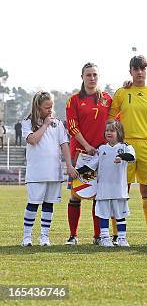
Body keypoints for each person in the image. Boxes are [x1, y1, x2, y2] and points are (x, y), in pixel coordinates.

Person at [108, 55, 147, 245]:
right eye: (136, 69)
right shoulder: (121, 92)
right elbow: (109, 119)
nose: (139, 72)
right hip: (125, 145)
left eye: (143, 69)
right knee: (120, 190)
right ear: (130, 71)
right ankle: (118, 235)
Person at [21, 91, 78, 246]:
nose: (50, 110)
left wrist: (69, 164)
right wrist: (45, 124)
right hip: (36, 173)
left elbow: (64, 144)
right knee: (33, 203)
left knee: (49, 204)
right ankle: (27, 237)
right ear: (38, 107)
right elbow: (33, 140)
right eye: (47, 107)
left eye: (51, 107)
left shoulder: (58, 123)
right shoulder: (27, 122)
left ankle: (44, 237)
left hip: (53, 172)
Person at [65, 62, 113, 245]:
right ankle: (73, 235)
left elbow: (115, 123)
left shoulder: (107, 99)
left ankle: (98, 235)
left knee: (98, 195)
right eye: (88, 75)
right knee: (76, 193)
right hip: (80, 153)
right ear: (82, 77)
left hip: (101, 154)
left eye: (95, 75)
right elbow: (72, 126)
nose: (92, 78)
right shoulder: (74, 100)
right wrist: (86, 145)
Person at [78, 120, 135, 247]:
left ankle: (122, 238)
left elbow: (132, 157)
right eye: (107, 130)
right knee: (103, 214)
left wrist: (122, 157)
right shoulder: (101, 148)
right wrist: (77, 172)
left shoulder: (125, 147)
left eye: (112, 130)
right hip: (103, 189)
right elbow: (91, 166)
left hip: (119, 189)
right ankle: (105, 238)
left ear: (119, 132)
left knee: (120, 215)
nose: (109, 132)